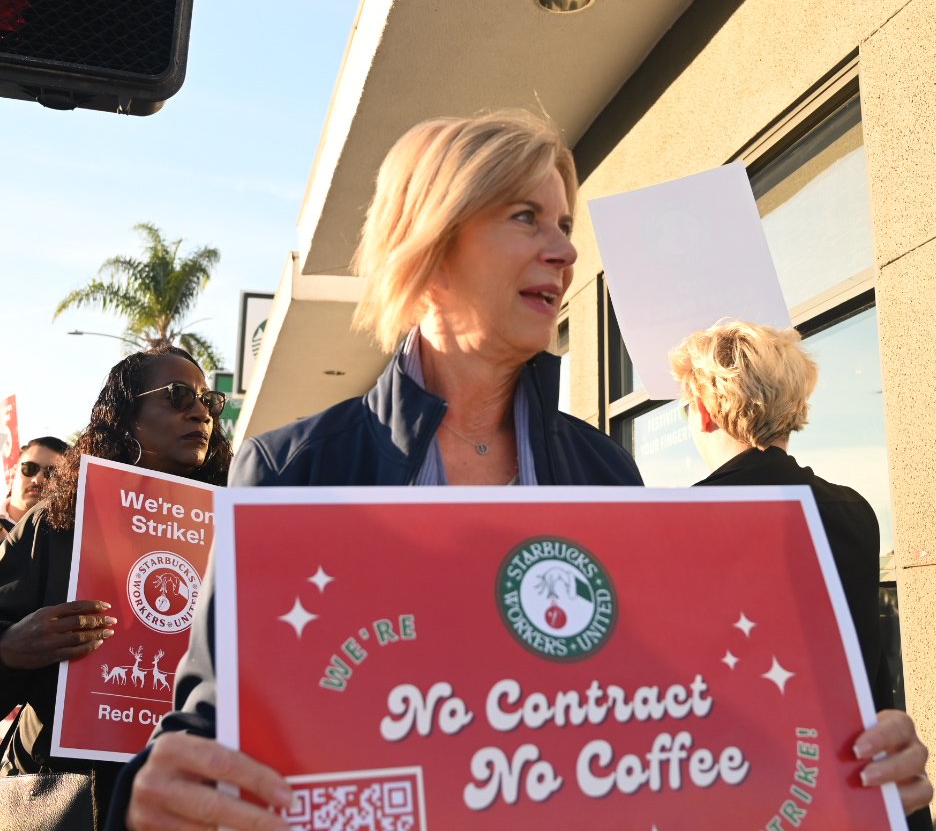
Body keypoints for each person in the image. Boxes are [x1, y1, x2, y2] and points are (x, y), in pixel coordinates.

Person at [112, 112, 930, 830]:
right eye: (526, 216)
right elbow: (213, 726)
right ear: (432, 248)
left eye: (566, 222)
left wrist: (846, 759)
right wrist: (156, 799)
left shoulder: (604, 469)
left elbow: (670, 715)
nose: (567, 250)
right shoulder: (294, 471)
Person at [670, 319, 933, 827]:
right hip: (865, 782)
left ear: (702, 410)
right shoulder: (854, 510)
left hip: (753, 795)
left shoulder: (682, 521)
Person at [0, 343, 231, 830]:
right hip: (65, 796)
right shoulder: (57, 525)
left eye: (208, 402)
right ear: (125, 418)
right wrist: (10, 650)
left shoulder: (235, 534)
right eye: (178, 396)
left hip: (184, 798)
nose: (200, 412)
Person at [0, 437, 68, 540]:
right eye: (29, 468)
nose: (38, 479)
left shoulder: (70, 541)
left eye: (52, 473)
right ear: (12, 474)